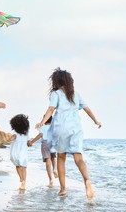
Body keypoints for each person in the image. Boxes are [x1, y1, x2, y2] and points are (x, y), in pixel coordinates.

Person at [35, 67, 101, 201]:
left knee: (61, 158)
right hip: (76, 127)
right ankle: (87, 181)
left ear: (56, 81)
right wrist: (96, 121)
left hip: (62, 127)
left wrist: (42, 122)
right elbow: (87, 110)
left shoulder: (56, 94)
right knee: (79, 158)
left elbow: (51, 109)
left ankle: (63, 189)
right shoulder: (75, 94)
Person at [28, 115, 58, 187]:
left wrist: (32, 142)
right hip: (52, 142)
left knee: (48, 159)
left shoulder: (43, 127)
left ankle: (50, 179)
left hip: (45, 143)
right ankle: (54, 169)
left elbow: (40, 135)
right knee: (53, 157)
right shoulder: (53, 127)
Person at [9, 114, 30, 191]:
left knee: (21, 167)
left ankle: (23, 181)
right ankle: (22, 178)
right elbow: (12, 138)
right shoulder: (16, 134)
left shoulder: (26, 134)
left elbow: (29, 142)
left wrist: (30, 143)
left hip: (20, 153)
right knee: (19, 167)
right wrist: (11, 138)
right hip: (18, 153)